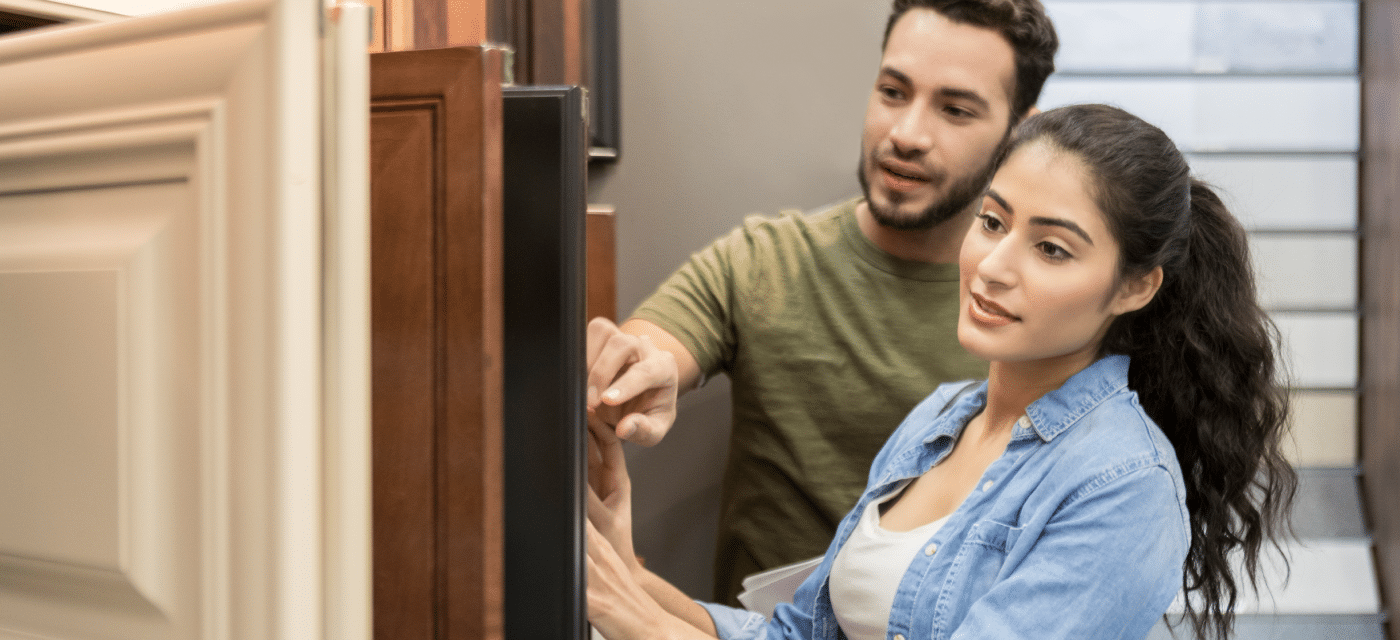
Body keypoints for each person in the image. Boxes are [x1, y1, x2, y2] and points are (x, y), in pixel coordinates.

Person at [584, 104, 1298, 640]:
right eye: (992, 222)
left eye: (1051, 249)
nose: (992, 266)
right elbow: (801, 634)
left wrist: (632, 620)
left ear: (1135, 287)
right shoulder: (939, 419)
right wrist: (630, 574)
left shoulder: (1125, 485)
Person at [586, 0, 1059, 603]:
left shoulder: (1044, 312)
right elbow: (654, 346)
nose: (907, 134)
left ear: (1021, 130)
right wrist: (633, 372)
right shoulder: (765, 261)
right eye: (893, 92)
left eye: (955, 109)